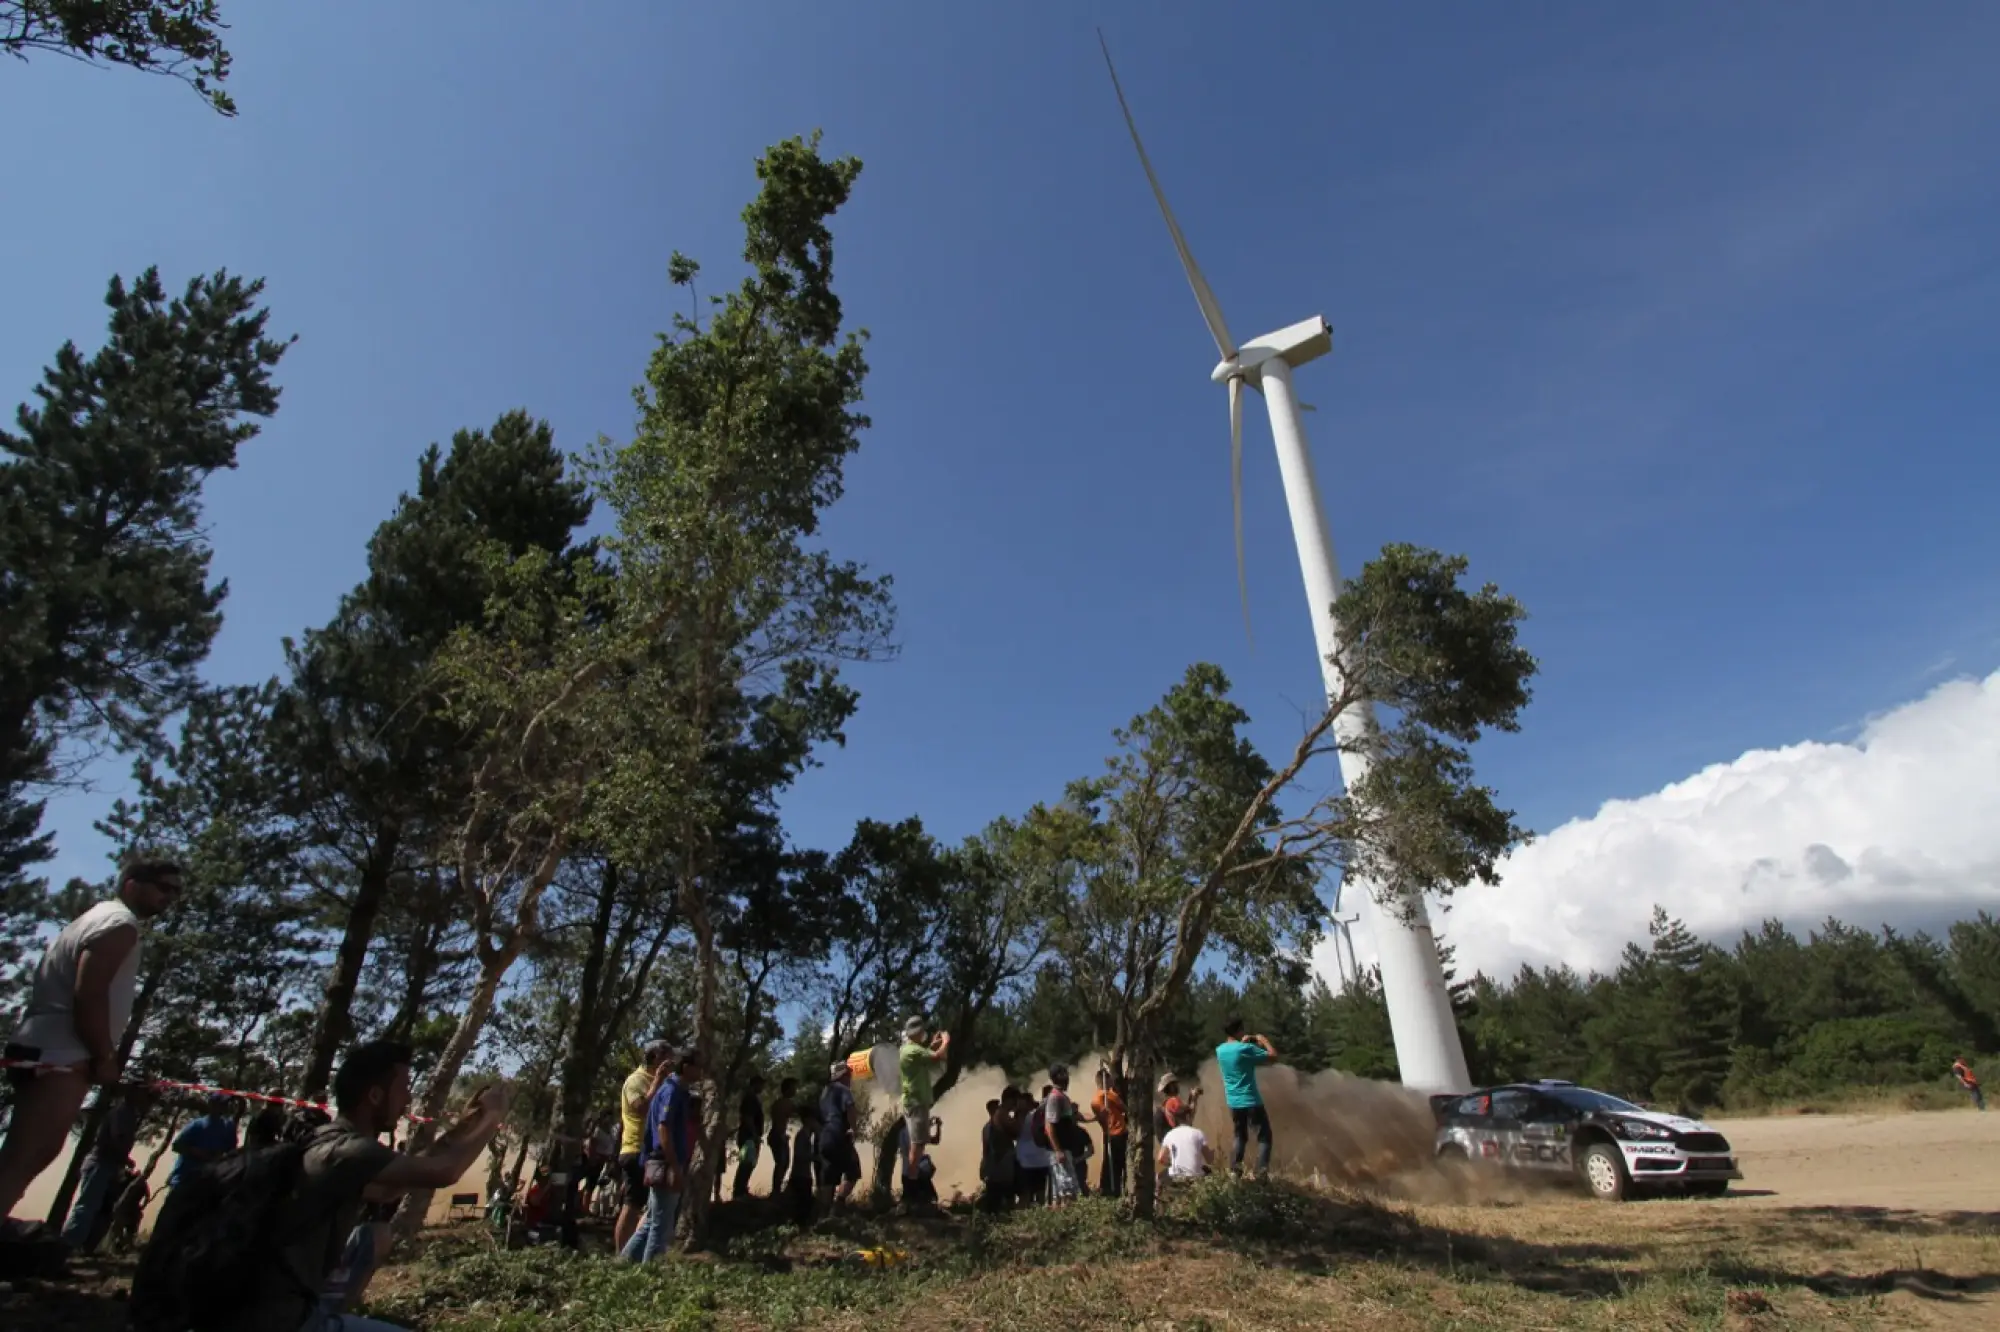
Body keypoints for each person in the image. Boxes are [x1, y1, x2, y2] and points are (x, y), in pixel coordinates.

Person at [225, 1037, 508, 1332]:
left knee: (373, 1238)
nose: (408, 1099)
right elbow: (444, 1172)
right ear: (374, 1096)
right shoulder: (348, 1151)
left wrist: (466, 1125)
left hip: (279, 1310)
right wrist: (492, 1117)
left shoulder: (331, 1140)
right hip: (283, 1321)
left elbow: (393, 1187)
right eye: (403, 1088)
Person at [0, 851, 182, 1234]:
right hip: (61, 1052)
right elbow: (90, 992)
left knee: (27, 1152)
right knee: (26, 1156)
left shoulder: (96, 917)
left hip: (45, 1045)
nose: (169, 898)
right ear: (131, 885)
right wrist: (103, 1055)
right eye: (163, 888)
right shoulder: (120, 924)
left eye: (175, 892)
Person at [622, 1049, 703, 1263]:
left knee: (651, 1221)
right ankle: (650, 1272)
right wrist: (674, 1168)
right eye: (698, 1066)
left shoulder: (680, 1091)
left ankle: (623, 1263)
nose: (701, 1071)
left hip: (667, 1162)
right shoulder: (671, 1091)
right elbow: (663, 1128)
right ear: (686, 1067)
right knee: (661, 1226)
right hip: (665, 1163)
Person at [59, 1084, 153, 1250]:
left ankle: (82, 1246)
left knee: (99, 1210)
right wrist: (124, 1158)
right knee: (87, 1207)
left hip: (109, 1165)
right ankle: (65, 1246)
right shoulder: (122, 1112)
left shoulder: (129, 1114)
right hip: (100, 1164)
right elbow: (118, 1139)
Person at [614, 1040, 673, 1252]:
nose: (671, 1061)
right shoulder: (636, 1080)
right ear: (655, 1057)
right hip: (635, 1150)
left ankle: (634, 1253)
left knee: (651, 1207)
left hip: (653, 1151)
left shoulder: (665, 1081)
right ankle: (621, 1254)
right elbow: (640, 1108)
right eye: (667, 1056)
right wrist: (657, 1081)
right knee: (632, 1205)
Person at [1216, 1017, 1277, 1178]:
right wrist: (1263, 1040)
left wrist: (1243, 1043)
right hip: (1251, 1101)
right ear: (1239, 1030)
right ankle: (1260, 1175)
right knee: (1265, 1138)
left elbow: (1235, 1053)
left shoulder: (1220, 1050)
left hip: (1233, 1103)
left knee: (1240, 1137)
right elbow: (1273, 1056)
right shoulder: (1246, 1049)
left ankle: (1234, 1172)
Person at [896, 1016, 949, 1177]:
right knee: (917, 1145)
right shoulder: (913, 1050)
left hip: (915, 1102)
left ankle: (912, 1178)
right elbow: (936, 1057)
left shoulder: (909, 1049)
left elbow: (925, 1054)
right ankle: (912, 1180)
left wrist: (933, 1045)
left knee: (919, 1144)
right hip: (917, 1102)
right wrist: (946, 1041)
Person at [170, 1093, 242, 1189]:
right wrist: (198, 1153)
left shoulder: (229, 1127)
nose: (225, 1106)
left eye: (226, 1103)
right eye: (221, 1103)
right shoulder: (197, 1125)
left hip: (211, 1182)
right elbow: (176, 1146)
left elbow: (232, 1151)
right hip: (184, 1179)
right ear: (211, 1105)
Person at [816, 1062, 863, 1208]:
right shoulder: (843, 1089)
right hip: (838, 1135)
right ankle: (838, 1204)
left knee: (829, 1175)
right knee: (853, 1170)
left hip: (825, 1137)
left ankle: (825, 1211)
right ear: (842, 1075)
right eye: (848, 1074)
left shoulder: (824, 1092)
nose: (850, 1077)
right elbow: (850, 1108)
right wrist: (854, 1129)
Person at [1090, 1067, 1128, 1199]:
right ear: (1105, 1080)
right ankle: (1119, 1191)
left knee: (1109, 1164)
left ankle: (1108, 1191)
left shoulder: (1095, 1099)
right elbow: (1124, 1108)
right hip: (1119, 1133)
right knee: (1122, 1164)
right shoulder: (1108, 1095)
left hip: (1108, 1134)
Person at [1014, 1085, 1053, 1207]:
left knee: (1030, 1194)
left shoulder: (1035, 1114)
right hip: (1032, 1160)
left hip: (1031, 1160)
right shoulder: (1036, 1114)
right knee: (1031, 1194)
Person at [730, 1074, 766, 1200]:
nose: (762, 1088)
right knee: (746, 1163)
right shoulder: (750, 1098)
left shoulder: (753, 1098)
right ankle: (739, 1191)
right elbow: (748, 1118)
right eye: (761, 1085)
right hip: (748, 1137)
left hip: (750, 1136)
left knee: (750, 1163)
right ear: (755, 1084)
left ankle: (742, 1189)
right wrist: (754, 1135)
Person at [1157, 1104, 1212, 1187]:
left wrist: (1172, 1163)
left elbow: (1161, 1158)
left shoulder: (1170, 1134)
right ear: (1187, 1117)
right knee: (1208, 1171)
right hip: (1196, 1178)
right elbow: (1209, 1160)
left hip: (1176, 1177)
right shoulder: (1198, 1133)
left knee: (1159, 1177)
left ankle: (1157, 1195)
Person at [978, 1098, 1016, 1213]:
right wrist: (985, 1166)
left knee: (1002, 1196)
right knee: (998, 1198)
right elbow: (986, 1149)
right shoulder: (990, 1127)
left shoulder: (992, 1126)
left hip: (998, 1167)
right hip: (998, 1167)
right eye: (996, 1107)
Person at [787, 1102, 821, 1227]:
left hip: (803, 1176)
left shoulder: (805, 1136)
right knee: (802, 1210)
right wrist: (816, 1158)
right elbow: (801, 1156)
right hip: (800, 1177)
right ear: (808, 1120)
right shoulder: (802, 1136)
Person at [767, 1077, 797, 1196]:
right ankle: (776, 1191)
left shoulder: (779, 1102)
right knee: (782, 1163)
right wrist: (781, 1136)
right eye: (794, 1088)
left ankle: (777, 1189)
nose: (795, 1090)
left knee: (783, 1163)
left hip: (776, 1135)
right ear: (788, 1089)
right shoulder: (785, 1103)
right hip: (778, 1135)